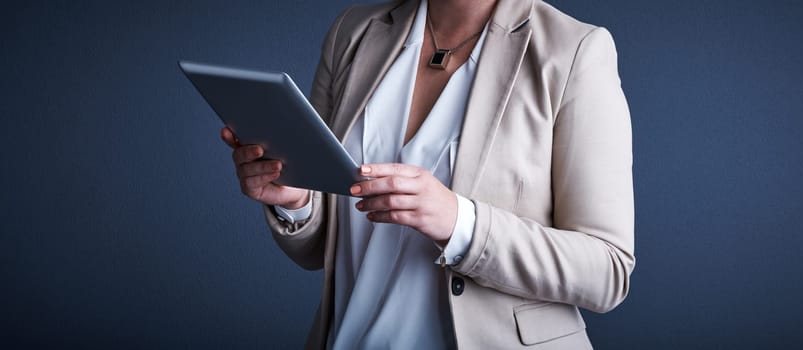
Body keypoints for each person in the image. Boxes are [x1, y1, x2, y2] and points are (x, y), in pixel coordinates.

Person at [220, 0, 634, 348]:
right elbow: (322, 250)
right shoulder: (354, 31)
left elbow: (607, 270)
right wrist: (298, 202)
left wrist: (461, 223)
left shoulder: (574, 50)